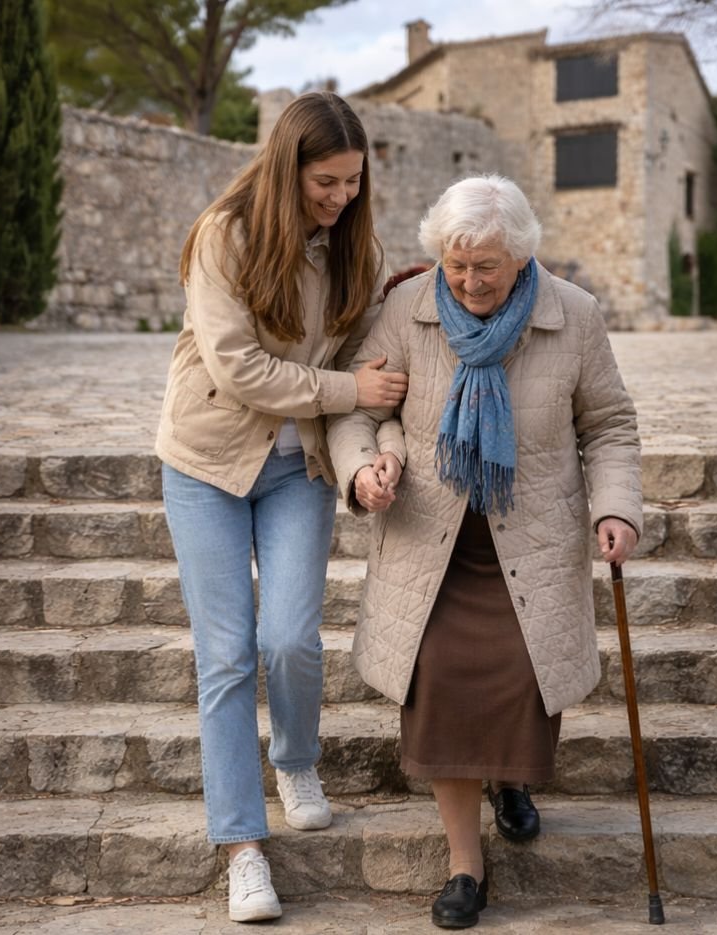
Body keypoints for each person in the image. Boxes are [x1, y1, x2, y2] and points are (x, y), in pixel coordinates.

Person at [328, 175, 642, 929]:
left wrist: (616, 507)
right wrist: (362, 468)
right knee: (441, 685)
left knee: (519, 679)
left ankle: (509, 780)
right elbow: (359, 409)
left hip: (528, 545)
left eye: (487, 267)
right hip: (431, 546)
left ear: (522, 257)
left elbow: (609, 426)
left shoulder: (575, 316)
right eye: (457, 264)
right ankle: (466, 864)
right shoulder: (408, 308)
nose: (469, 281)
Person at [155, 91, 408, 923]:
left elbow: (373, 367)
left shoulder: (355, 252)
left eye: (352, 182)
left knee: (292, 636)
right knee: (226, 655)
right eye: (326, 182)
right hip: (207, 461)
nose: (341, 197)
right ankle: (242, 847)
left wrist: (373, 441)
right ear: (286, 166)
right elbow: (238, 369)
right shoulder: (222, 236)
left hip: (298, 464)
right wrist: (347, 386)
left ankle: (296, 757)